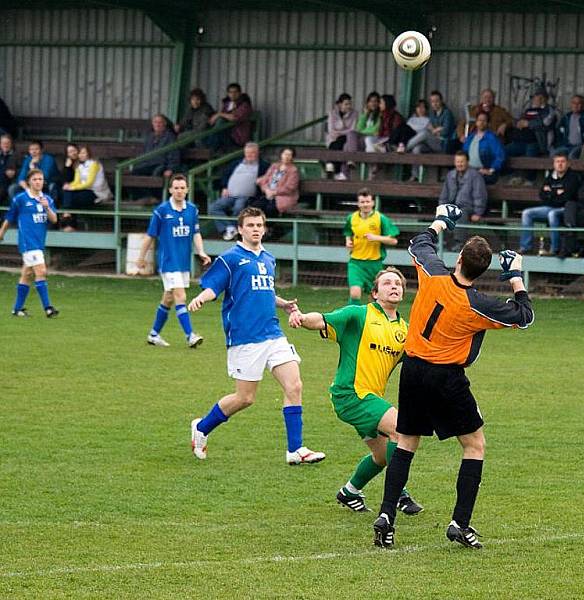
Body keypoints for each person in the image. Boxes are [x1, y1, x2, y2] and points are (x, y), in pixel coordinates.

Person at [372, 204, 534, 550]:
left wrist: (441, 220)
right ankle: (460, 523)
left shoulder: (433, 273)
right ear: (483, 269)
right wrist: (516, 274)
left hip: (413, 370)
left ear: (459, 257)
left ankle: (387, 516)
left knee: (405, 442)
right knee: (474, 445)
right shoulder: (479, 305)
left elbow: (419, 243)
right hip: (446, 377)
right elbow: (525, 315)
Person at [187, 206, 326, 465]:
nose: (256, 230)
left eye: (259, 225)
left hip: (273, 333)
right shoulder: (230, 259)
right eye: (250, 225)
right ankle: (202, 427)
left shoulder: (268, 259)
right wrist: (201, 299)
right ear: (240, 229)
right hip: (244, 337)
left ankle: (295, 450)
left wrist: (283, 304)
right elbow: (213, 287)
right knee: (245, 398)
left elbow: (262, 292)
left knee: (294, 385)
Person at [288, 267, 423, 515]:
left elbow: (422, 360)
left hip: (371, 399)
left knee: (382, 457)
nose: (394, 286)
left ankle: (349, 491)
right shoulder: (358, 315)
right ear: (374, 292)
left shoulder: (406, 331)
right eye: (387, 283)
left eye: (398, 284)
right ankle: (400, 495)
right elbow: (322, 319)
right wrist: (302, 317)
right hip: (350, 394)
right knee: (401, 429)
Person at [136, 174, 210, 348]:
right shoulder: (161, 211)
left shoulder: (192, 210)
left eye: (182, 188)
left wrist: (201, 251)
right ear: (170, 190)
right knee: (180, 296)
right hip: (168, 262)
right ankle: (190, 335)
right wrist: (141, 257)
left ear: (187, 190)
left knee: (168, 298)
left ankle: (154, 335)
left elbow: (196, 233)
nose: (179, 191)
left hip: (183, 262)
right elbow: (150, 236)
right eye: (176, 188)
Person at [0, 169, 59, 318]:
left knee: (27, 274)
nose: (38, 182)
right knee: (41, 272)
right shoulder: (20, 199)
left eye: (40, 179)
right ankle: (48, 308)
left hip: (39, 242)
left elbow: (54, 219)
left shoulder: (47, 199)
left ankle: (17, 309)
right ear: (29, 182)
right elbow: (10, 217)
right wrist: (1, 232)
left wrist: (46, 206)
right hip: (28, 242)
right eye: (35, 179)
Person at [518, 152, 583, 256]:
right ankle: (526, 247)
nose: (560, 164)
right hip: (550, 206)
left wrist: (550, 193)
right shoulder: (550, 177)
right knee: (526, 213)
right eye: (557, 161)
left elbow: (568, 197)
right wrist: (556, 193)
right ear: (554, 164)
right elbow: (542, 195)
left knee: (552, 214)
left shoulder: (573, 177)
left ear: (568, 163)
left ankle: (554, 249)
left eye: (562, 161)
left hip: (566, 209)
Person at [344, 188, 399, 305]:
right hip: (355, 262)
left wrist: (377, 238)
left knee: (375, 296)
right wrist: (348, 241)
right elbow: (348, 232)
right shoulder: (351, 218)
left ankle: (375, 319)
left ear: (373, 203)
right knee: (355, 293)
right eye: (362, 202)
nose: (365, 205)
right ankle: (353, 319)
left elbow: (393, 241)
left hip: (374, 264)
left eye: (368, 202)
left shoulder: (381, 219)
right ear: (358, 204)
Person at [209, 142, 268, 240]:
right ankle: (230, 228)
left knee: (238, 207)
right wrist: (224, 187)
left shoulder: (263, 166)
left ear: (257, 153)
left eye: (252, 153)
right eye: (247, 153)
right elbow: (225, 175)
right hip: (230, 194)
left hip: (247, 196)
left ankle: (232, 230)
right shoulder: (236, 163)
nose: (249, 155)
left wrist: (262, 180)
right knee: (213, 207)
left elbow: (269, 178)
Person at [438, 151, 488, 250]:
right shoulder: (450, 175)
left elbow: (480, 194)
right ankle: (441, 242)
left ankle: (459, 243)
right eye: (457, 162)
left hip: (468, 207)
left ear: (467, 162)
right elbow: (444, 194)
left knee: (460, 213)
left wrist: (478, 212)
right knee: (442, 214)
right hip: (452, 206)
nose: (459, 164)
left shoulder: (475, 175)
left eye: (462, 161)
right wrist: (441, 208)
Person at [60, 145, 113, 232]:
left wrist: (73, 188)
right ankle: (68, 220)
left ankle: (67, 219)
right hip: (84, 190)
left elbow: (89, 183)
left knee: (70, 198)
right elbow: (76, 181)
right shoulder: (79, 166)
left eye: (83, 153)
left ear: (88, 153)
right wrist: (69, 186)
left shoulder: (94, 164)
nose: (81, 155)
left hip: (96, 192)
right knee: (67, 193)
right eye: (79, 153)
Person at [338, 91, 381, 180]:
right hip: (363, 140)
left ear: (379, 103)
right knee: (349, 139)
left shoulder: (381, 115)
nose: (373, 103)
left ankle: (345, 171)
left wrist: (364, 132)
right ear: (367, 103)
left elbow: (376, 130)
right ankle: (351, 161)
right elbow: (358, 129)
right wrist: (365, 114)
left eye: (375, 101)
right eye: (371, 101)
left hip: (372, 142)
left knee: (348, 143)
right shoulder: (366, 115)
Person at [505, 88, 558, 158]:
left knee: (528, 161)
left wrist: (528, 124)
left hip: (534, 143)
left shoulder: (549, 111)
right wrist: (518, 123)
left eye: (534, 97)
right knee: (502, 152)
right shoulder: (529, 110)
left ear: (542, 98)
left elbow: (545, 124)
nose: (532, 99)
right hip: (518, 141)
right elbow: (518, 120)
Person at [253, 147, 300, 217]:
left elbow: (290, 188)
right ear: (281, 155)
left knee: (270, 209)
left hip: (283, 197)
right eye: (285, 154)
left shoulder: (293, 170)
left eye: (289, 155)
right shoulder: (274, 166)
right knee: (255, 207)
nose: (286, 157)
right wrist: (266, 190)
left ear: (292, 157)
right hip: (268, 194)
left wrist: (274, 192)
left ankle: (270, 227)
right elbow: (264, 179)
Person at [463, 112, 506, 184]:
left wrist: (491, 170)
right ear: (476, 122)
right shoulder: (470, 138)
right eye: (479, 120)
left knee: (473, 180)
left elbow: (500, 156)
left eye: (484, 120)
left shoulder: (492, 138)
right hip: (470, 170)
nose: (481, 122)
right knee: (452, 177)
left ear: (488, 123)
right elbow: (464, 154)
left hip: (485, 172)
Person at [208, 83, 254, 149]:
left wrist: (219, 114)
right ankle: (209, 148)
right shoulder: (228, 104)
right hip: (227, 134)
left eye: (235, 92)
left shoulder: (244, 105)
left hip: (238, 138)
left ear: (240, 93)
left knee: (220, 121)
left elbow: (235, 118)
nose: (233, 94)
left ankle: (210, 148)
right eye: (230, 92)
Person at [325, 93, 357, 177]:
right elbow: (331, 130)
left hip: (347, 139)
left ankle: (330, 163)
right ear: (340, 104)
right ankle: (337, 172)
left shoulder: (354, 113)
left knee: (341, 140)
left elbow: (352, 130)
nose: (349, 106)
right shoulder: (332, 113)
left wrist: (339, 132)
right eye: (346, 104)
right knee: (336, 143)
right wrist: (342, 132)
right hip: (333, 139)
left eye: (350, 104)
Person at [553, 94, 584, 159]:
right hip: (566, 145)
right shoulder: (566, 117)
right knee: (554, 154)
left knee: (572, 156)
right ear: (571, 104)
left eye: (579, 103)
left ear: (583, 105)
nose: (576, 105)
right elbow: (558, 131)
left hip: (580, 146)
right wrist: (559, 144)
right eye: (574, 103)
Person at [0, 133, 17, 204]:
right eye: (3, 143)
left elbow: (21, 171)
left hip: (10, 183)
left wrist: (14, 172)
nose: (5, 145)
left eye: (8, 143)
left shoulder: (17, 155)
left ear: (11, 144)